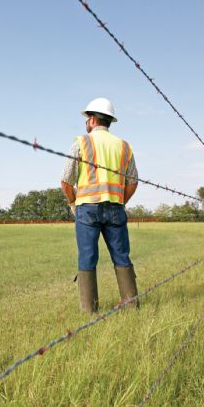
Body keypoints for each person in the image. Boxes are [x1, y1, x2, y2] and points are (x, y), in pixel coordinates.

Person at [61, 98, 139, 312]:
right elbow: (133, 182)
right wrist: (119, 200)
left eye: (87, 118)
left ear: (93, 120)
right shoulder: (124, 146)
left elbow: (66, 181)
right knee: (121, 255)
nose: (86, 122)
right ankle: (131, 303)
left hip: (87, 209)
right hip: (115, 208)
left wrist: (73, 204)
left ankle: (89, 309)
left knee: (87, 256)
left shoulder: (81, 142)